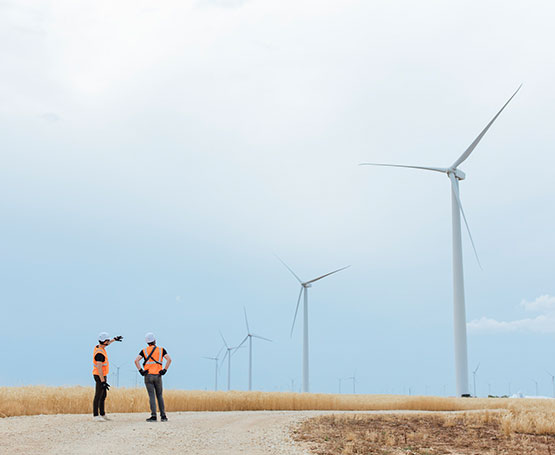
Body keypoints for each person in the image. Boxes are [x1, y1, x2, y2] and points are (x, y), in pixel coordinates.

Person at [135, 332, 172, 422]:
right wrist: (164, 370)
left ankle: (153, 416)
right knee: (159, 395)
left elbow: (136, 361)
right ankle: (163, 416)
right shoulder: (161, 350)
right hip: (158, 375)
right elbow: (169, 359)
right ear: (155, 340)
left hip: (148, 376)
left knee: (152, 396)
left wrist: (141, 371)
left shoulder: (144, 351)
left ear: (147, 342)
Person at [92, 332, 123, 422]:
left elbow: (107, 344)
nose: (108, 342)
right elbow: (99, 368)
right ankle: (96, 415)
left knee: (103, 395)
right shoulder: (99, 354)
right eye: (107, 340)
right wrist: (103, 381)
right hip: (99, 376)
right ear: (104, 341)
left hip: (103, 376)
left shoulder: (99, 347)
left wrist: (114, 339)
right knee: (98, 395)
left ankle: (102, 414)